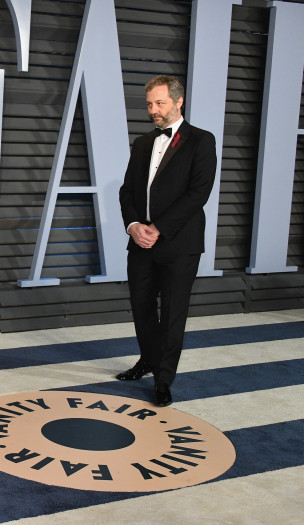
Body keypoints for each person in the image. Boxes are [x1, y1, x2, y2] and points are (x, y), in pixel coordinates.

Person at [117, 74, 217, 407]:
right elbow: (128, 190)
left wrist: (158, 228)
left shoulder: (202, 141)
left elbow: (197, 194)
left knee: (173, 311)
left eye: (159, 103)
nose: (153, 110)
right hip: (140, 241)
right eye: (149, 104)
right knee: (142, 307)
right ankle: (148, 359)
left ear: (179, 101)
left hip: (179, 242)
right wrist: (133, 225)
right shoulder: (142, 143)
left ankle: (163, 379)